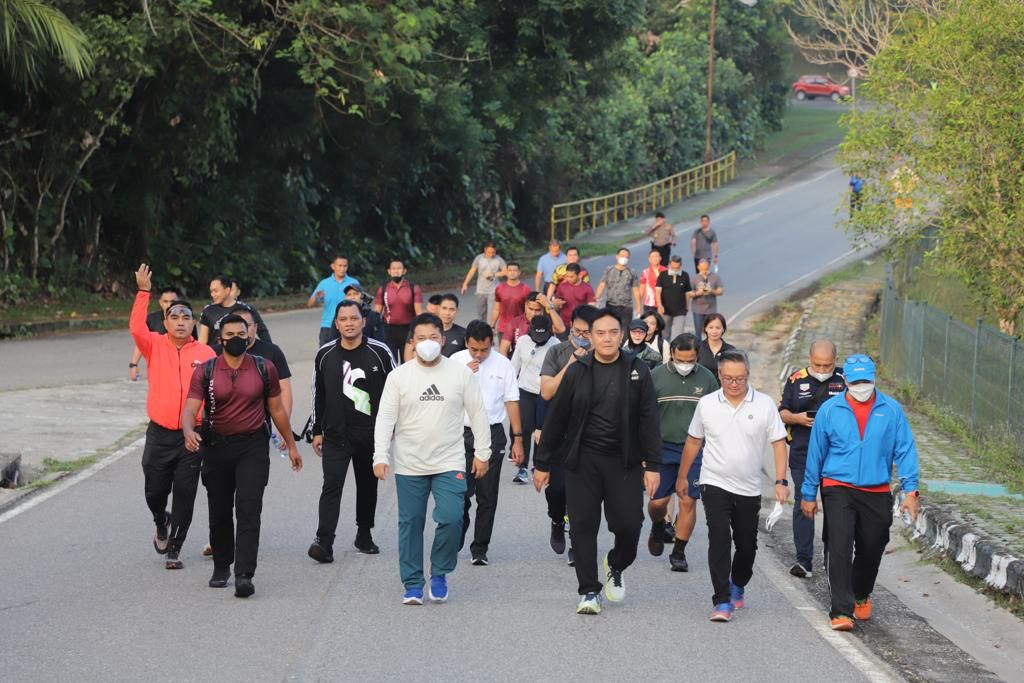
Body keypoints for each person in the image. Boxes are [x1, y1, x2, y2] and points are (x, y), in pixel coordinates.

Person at [534, 308, 661, 615]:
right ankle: (589, 590)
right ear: (589, 336)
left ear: (622, 335)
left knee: (629, 525)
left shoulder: (636, 370)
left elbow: (649, 419)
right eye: (600, 333)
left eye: (613, 333)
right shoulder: (578, 370)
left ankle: (615, 564)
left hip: (624, 462)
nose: (607, 338)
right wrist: (543, 463)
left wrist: (653, 466)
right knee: (583, 525)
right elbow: (558, 417)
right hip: (583, 461)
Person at [372, 313, 492, 605]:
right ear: (412, 342)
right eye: (421, 338)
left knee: (452, 518)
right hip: (410, 463)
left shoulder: (460, 373)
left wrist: (482, 453)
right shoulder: (399, 376)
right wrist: (380, 454)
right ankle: (412, 583)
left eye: (434, 337)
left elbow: (478, 413)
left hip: (449, 461)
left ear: (443, 339)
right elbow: (385, 418)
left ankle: (439, 571)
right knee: (410, 523)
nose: (428, 343)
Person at [181, 314, 302, 598]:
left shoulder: (264, 368)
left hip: (253, 448)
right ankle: (222, 565)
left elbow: (277, 410)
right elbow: (190, 408)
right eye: (230, 334)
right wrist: (188, 429)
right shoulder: (206, 371)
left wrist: (291, 444)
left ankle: (244, 573)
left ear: (249, 337)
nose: (236, 338)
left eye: (241, 333)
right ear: (220, 339)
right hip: (216, 447)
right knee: (220, 510)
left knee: (249, 508)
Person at [801, 354, 920, 632]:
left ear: (875, 378)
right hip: (837, 486)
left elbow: (905, 449)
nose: (862, 386)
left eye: (866, 380)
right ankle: (841, 610)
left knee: (872, 545)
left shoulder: (891, 410)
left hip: (876, 489)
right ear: (845, 381)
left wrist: (911, 491)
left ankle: (861, 593)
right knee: (839, 545)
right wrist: (808, 493)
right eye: (856, 381)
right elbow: (815, 455)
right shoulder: (830, 411)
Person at [678, 349, 788, 622]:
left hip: (749, 488)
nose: (734, 384)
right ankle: (722, 599)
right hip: (713, 481)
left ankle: (738, 583)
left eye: (740, 378)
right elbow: (694, 440)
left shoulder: (763, 405)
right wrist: (682, 476)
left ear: (748, 375)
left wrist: (781, 481)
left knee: (747, 546)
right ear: (719, 376)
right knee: (718, 538)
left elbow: (778, 443)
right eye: (728, 378)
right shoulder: (707, 404)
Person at [130, 265, 216, 570]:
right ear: (165, 322)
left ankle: (175, 549)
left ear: (194, 323)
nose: (180, 322)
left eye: (186, 317)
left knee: (185, 492)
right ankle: (160, 520)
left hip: (191, 436)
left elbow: (217, 394)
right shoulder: (154, 345)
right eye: (174, 317)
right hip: (160, 433)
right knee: (154, 489)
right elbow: (136, 329)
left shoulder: (206, 354)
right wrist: (143, 293)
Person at [308, 300, 397, 564]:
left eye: (354, 318)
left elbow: (397, 388)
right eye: (343, 319)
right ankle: (324, 541)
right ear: (336, 324)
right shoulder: (325, 354)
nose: (349, 323)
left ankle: (364, 534)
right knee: (331, 486)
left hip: (370, 433)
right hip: (336, 434)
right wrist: (316, 429)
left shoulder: (379, 352)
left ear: (363, 321)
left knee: (367, 486)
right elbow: (318, 393)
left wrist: (391, 426)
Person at [451, 321, 524, 566]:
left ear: (491, 343)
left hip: (493, 433)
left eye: (484, 349)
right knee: (459, 492)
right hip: (461, 434)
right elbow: (444, 399)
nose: (479, 355)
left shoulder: (503, 364)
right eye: (474, 349)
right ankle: (456, 535)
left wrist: (518, 439)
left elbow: (512, 401)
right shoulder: (454, 362)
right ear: (466, 343)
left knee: (487, 495)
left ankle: (480, 547)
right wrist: (463, 377)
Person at [648, 333, 719, 571]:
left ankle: (679, 551)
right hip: (661, 448)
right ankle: (658, 525)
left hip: (696, 449)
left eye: (690, 360)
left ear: (697, 356)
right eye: (681, 360)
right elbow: (643, 415)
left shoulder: (707, 378)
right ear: (672, 355)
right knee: (657, 503)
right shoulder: (656, 376)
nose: (685, 365)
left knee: (688, 500)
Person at [537, 305, 599, 566]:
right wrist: (572, 365)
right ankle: (555, 518)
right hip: (560, 432)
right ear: (570, 327)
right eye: (577, 331)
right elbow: (546, 392)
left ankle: (578, 541)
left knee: (583, 494)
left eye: (587, 332)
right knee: (559, 489)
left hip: (591, 434)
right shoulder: (557, 351)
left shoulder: (605, 354)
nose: (582, 336)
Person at [778, 340, 845, 579]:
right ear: (809, 359)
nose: (822, 369)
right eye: (817, 364)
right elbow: (782, 411)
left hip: (836, 454)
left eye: (827, 365)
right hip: (803, 450)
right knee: (803, 502)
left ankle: (833, 559)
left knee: (836, 505)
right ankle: (803, 560)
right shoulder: (796, 379)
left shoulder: (845, 380)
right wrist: (797, 418)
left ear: (835, 361)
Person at [510, 313, 560, 484]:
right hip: (524, 390)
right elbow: (514, 365)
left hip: (545, 393)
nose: (539, 339)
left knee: (542, 430)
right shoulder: (523, 341)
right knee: (525, 428)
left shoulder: (556, 344)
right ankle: (522, 467)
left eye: (543, 336)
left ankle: (539, 466)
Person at [129, 285, 197, 381]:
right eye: (165, 301)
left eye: (172, 302)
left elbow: (195, 345)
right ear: (160, 302)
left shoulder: (186, 321)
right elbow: (141, 342)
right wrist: (134, 364)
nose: (169, 305)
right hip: (158, 368)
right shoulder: (151, 319)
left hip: (182, 368)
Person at [374, 259, 424, 363]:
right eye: (393, 268)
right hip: (388, 330)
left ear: (404, 271)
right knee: (390, 361)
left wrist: (421, 330)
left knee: (408, 362)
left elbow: (419, 313)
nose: (396, 271)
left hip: (408, 329)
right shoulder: (383, 288)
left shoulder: (413, 288)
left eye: (399, 268)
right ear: (389, 271)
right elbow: (376, 313)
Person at [197, 275, 271, 345]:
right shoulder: (208, 310)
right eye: (211, 291)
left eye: (216, 291)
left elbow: (262, 332)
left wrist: (270, 350)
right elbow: (203, 340)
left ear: (227, 290)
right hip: (216, 355)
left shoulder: (246, 309)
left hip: (240, 354)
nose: (212, 295)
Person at [308, 255, 360, 346]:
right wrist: (316, 297)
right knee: (325, 356)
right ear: (333, 266)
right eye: (340, 266)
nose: (342, 269)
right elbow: (309, 304)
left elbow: (361, 303)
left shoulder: (353, 283)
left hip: (348, 325)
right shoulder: (324, 283)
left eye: (345, 266)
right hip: (327, 326)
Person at [499, 291, 565, 357]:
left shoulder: (547, 321)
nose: (533, 314)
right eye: (530, 309)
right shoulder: (514, 323)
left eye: (537, 310)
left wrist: (550, 306)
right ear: (525, 305)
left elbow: (561, 329)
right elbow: (503, 351)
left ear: (543, 309)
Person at [461, 241, 508, 322]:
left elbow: (505, 271)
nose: (491, 254)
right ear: (485, 249)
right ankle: (482, 331)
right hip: (480, 290)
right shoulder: (479, 258)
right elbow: (472, 271)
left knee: (491, 314)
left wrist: (493, 274)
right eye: (489, 252)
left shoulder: (498, 259)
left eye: (493, 252)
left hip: (494, 290)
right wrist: (465, 284)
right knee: (481, 314)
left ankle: (491, 331)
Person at [594, 248, 640, 328]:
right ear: (617, 256)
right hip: (611, 306)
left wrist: (638, 307)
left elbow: (635, 290)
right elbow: (602, 285)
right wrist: (596, 300)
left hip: (626, 307)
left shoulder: (632, 272)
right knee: (612, 329)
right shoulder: (609, 270)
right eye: (622, 256)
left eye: (626, 257)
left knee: (625, 332)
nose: (624, 258)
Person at [492, 262, 531, 344]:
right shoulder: (499, 288)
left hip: (520, 328)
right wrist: (492, 325)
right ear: (506, 272)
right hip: (503, 328)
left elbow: (530, 310)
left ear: (519, 272)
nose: (512, 272)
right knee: (503, 354)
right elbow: (496, 309)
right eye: (510, 270)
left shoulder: (526, 289)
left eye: (515, 270)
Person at [656, 256, 691, 340]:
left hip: (680, 310)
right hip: (665, 309)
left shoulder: (685, 275)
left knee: (678, 334)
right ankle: (665, 351)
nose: (675, 269)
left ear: (680, 266)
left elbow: (687, 293)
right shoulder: (663, 275)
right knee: (665, 333)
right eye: (673, 267)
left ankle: (675, 351)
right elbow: (658, 291)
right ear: (669, 265)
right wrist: (659, 305)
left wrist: (687, 306)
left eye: (677, 267)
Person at [551, 263, 596, 329]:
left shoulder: (587, 288)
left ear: (579, 275)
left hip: (581, 325)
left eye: (572, 277)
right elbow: (556, 306)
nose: (568, 279)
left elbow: (592, 308)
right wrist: (555, 304)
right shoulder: (561, 286)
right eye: (567, 276)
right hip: (564, 323)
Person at [689, 260, 724, 340]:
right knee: (698, 332)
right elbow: (688, 293)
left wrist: (712, 291)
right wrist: (697, 293)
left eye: (706, 269)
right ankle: (699, 349)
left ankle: (709, 348)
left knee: (711, 331)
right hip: (697, 310)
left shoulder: (715, 277)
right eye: (702, 269)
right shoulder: (694, 278)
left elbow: (721, 291)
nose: (705, 271)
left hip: (711, 310)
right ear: (698, 268)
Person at [436, 293, 467, 357]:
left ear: (456, 311)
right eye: (444, 308)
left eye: (451, 309)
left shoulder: (464, 334)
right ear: (439, 309)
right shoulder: (428, 331)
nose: (447, 313)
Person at [639, 249, 667, 313]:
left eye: (657, 256)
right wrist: (638, 304)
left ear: (660, 258)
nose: (655, 258)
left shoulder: (666, 271)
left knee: (662, 322)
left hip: (663, 303)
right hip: (649, 304)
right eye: (652, 257)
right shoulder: (645, 272)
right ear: (649, 259)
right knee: (649, 322)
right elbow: (642, 288)